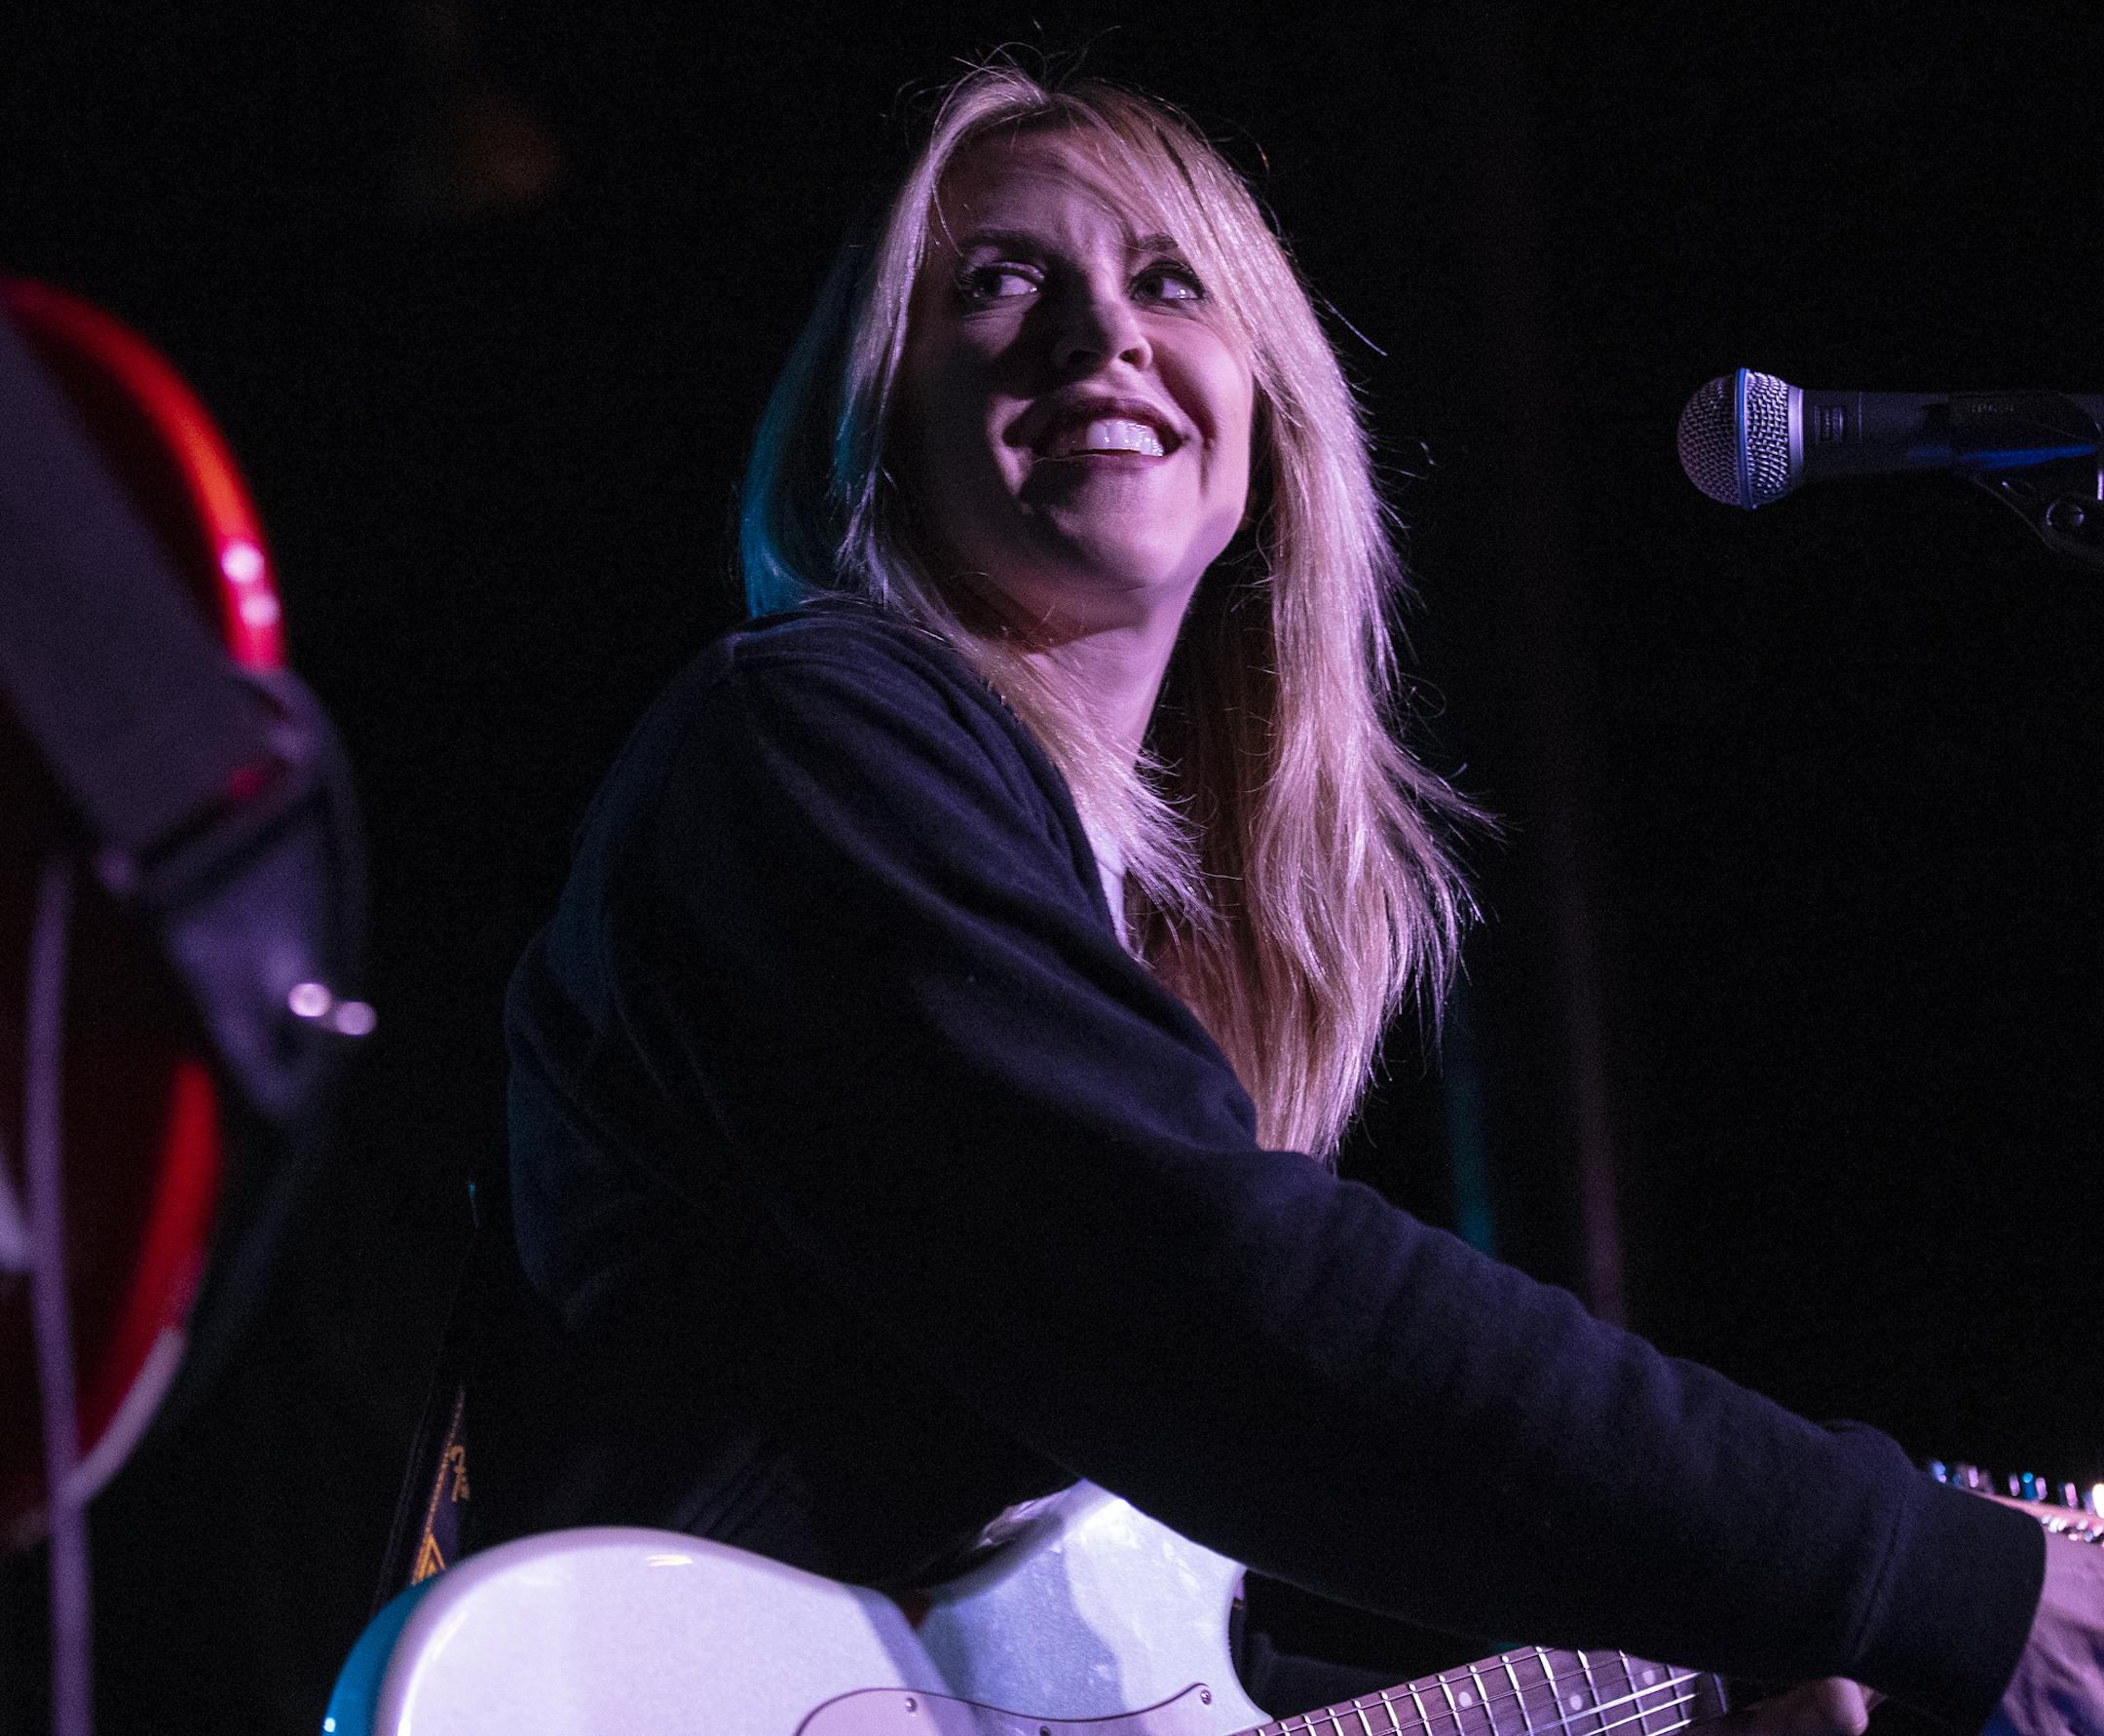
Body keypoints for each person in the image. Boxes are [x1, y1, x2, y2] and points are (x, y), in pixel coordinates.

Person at [468, 63, 2104, 1735]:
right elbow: (1217, 1290)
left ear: (1267, 409)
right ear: (879, 413)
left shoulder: (1132, 907)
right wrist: (1936, 1577)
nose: (1100, 330)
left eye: (1169, 282)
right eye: (1000, 280)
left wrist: (1696, 1715)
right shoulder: (802, 741)